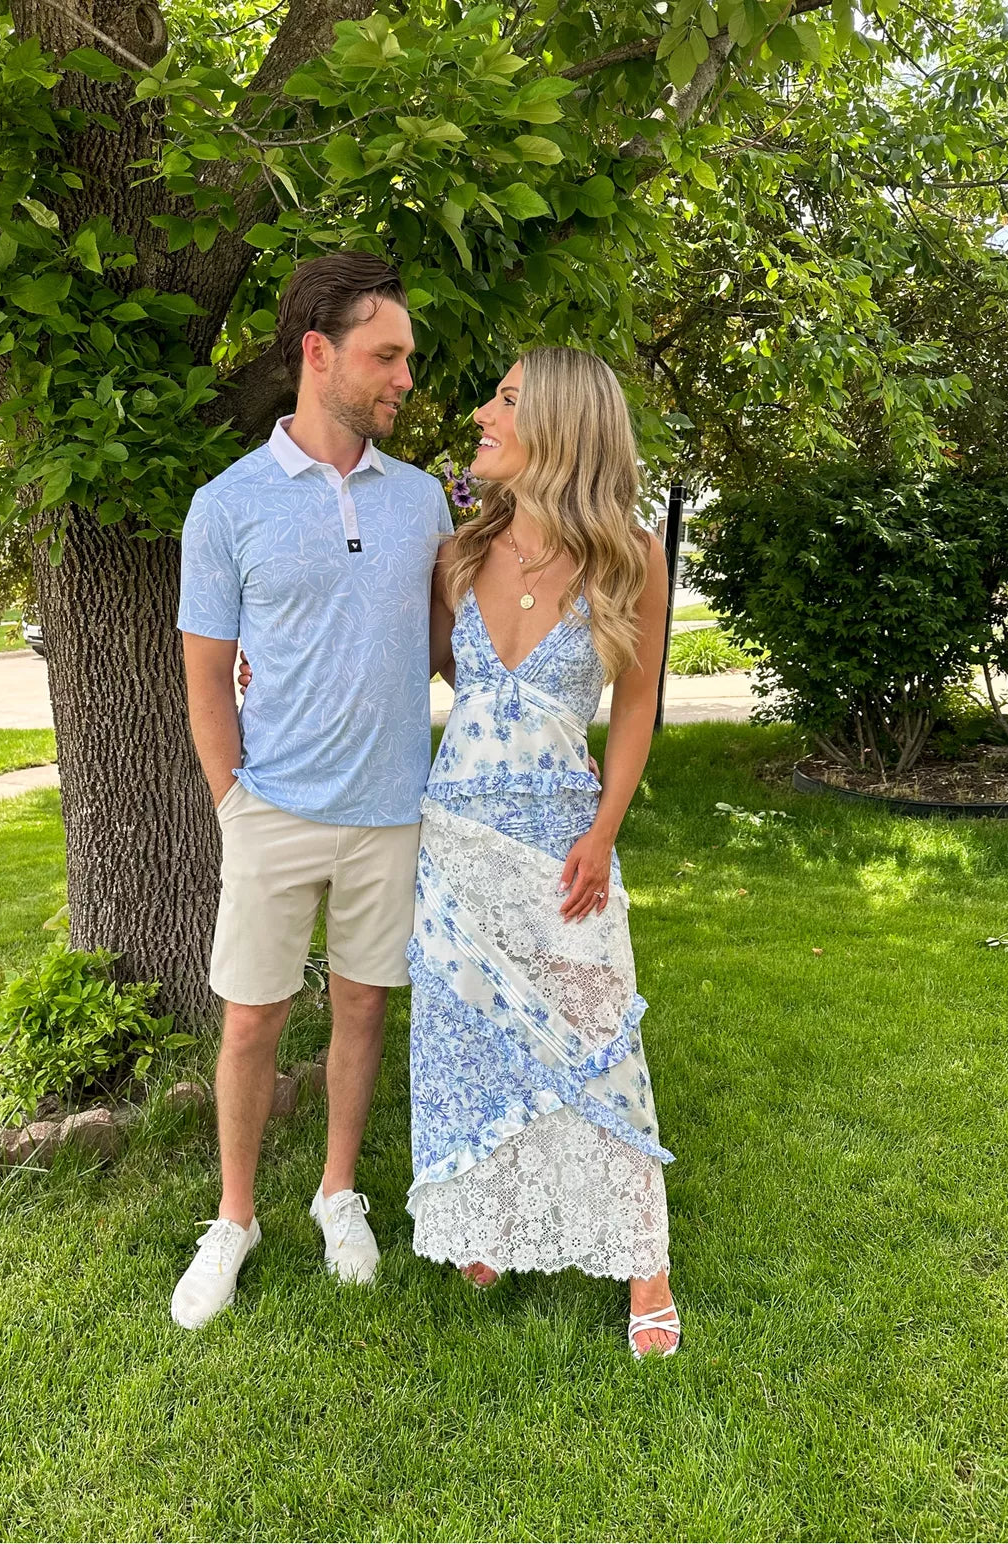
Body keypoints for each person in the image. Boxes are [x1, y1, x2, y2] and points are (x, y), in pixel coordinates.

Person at [170, 252, 453, 1330]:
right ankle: (234, 1218)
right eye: (387, 355)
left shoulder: (421, 501)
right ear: (317, 353)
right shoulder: (225, 506)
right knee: (251, 1020)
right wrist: (230, 801)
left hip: (391, 810)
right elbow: (205, 675)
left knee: (363, 1004)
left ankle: (338, 1191)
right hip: (273, 810)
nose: (405, 379)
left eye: (407, 358)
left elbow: (445, 651)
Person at [408, 347, 681, 1358]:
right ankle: (489, 1217)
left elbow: (636, 705)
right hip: (456, 834)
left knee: (595, 1029)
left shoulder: (631, 558)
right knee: (472, 1032)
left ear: (561, 422)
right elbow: (415, 667)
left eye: (506, 399)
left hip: (565, 838)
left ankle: (643, 1258)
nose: (482, 413)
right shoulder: (456, 554)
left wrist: (603, 830)